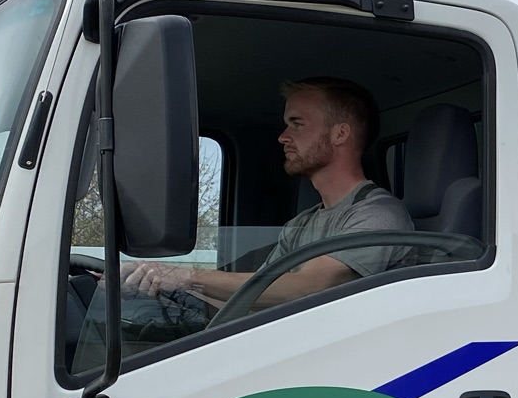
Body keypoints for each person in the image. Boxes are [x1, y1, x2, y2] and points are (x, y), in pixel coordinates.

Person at [123, 77, 412, 312]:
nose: (283, 136)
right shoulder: (301, 224)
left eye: (297, 124)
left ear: (340, 134)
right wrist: (159, 282)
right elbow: (255, 297)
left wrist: (187, 277)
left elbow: (308, 287)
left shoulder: (378, 214)